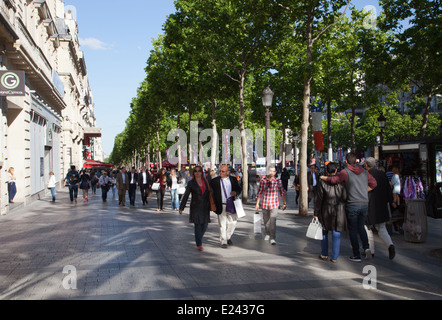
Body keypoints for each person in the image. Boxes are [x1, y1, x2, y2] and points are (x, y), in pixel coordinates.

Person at [320, 152, 377, 262]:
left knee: (353, 229)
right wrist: (364, 191)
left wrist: (323, 177)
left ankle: (356, 254)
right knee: (361, 227)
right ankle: (366, 247)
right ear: (356, 161)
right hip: (364, 203)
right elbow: (374, 183)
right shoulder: (365, 172)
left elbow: (334, 180)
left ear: (346, 161)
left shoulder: (345, 172)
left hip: (352, 203)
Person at [314, 162, 347, 263]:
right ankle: (334, 257)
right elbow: (345, 197)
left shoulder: (322, 182)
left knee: (324, 231)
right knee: (336, 232)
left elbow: (319, 199)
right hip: (339, 210)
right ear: (336, 170)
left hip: (325, 209)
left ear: (327, 171)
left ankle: (324, 253)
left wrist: (316, 212)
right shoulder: (342, 182)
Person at [364, 157, 396, 260]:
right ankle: (390, 245)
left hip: (368, 205)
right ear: (375, 164)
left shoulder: (365, 175)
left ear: (366, 165)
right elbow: (388, 190)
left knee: (367, 228)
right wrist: (391, 202)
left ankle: (371, 250)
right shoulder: (383, 175)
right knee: (381, 228)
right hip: (381, 205)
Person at [179, 165, 212, 251]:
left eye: (199, 171)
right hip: (195, 207)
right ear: (193, 173)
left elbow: (211, 193)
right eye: (196, 171)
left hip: (205, 206)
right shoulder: (191, 183)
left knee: (205, 225)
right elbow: (186, 195)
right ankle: (199, 244)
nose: (197, 173)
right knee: (197, 225)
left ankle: (199, 237)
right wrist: (181, 207)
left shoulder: (206, 181)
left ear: (202, 172)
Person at [210, 165, 242, 248]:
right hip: (220, 205)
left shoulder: (233, 179)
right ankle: (223, 241)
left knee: (233, 222)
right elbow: (210, 193)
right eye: (220, 171)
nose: (220, 173)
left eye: (223, 171)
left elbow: (239, 189)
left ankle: (228, 236)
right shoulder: (214, 181)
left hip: (231, 204)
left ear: (227, 172)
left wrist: (235, 192)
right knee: (222, 224)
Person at [255, 166, 287, 245]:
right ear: (268, 171)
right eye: (270, 171)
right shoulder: (263, 181)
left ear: (275, 172)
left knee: (273, 221)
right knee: (266, 221)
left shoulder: (278, 181)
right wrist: (257, 204)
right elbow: (259, 192)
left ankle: (272, 237)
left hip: (274, 204)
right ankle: (268, 233)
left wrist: (284, 203)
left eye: (273, 171)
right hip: (265, 204)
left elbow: (282, 192)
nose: (272, 173)